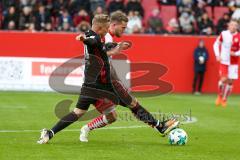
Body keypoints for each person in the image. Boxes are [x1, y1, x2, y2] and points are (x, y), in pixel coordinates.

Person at [79, 11, 179, 142]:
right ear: (113, 25)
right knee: (132, 103)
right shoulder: (106, 37)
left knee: (113, 116)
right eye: (123, 27)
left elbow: (106, 63)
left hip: (99, 82)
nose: (124, 30)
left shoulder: (105, 37)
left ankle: (86, 128)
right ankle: (159, 126)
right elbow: (101, 59)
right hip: (101, 82)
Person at [37, 14, 125, 144]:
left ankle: (51, 133)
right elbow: (92, 41)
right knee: (127, 102)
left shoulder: (92, 34)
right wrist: (84, 39)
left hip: (90, 84)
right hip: (98, 85)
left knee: (82, 113)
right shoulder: (93, 37)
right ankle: (157, 124)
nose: (107, 30)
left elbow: (96, 44)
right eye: (106, 28)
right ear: (100, 27)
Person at [213, 20, 239, 107]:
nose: (233, 27)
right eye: (231, 25)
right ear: (228, 26)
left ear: (237, 27)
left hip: (234, 62)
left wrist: (235, 53)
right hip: (224, 61)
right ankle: (220, 95)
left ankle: (224, 99)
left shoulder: (239, 36)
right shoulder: (224, 34)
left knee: (230, 82)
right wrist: (217, 55)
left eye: (235, 25)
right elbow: (216, 44)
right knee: (224, 79)